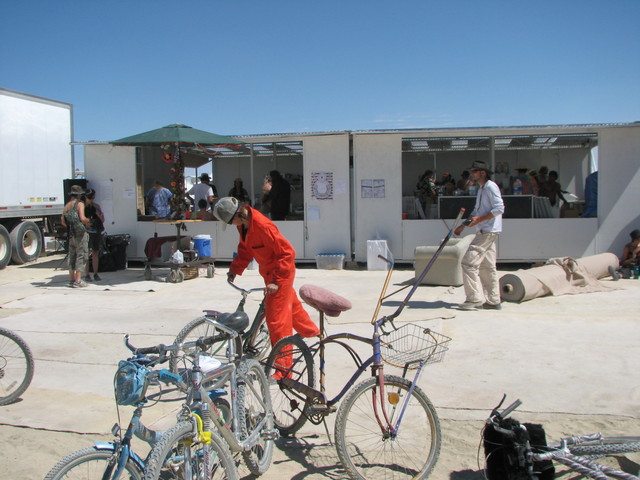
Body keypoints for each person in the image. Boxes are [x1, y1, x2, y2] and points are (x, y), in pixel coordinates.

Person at [213, 197, 320, 357]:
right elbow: (245, 248)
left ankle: (283, 371)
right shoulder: (243, 226)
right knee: (291, 306)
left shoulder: (263, 226)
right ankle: (312, 333)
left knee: (277, 322)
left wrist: (277, 282)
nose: (231, 226)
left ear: (237, 216)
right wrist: (235, 268)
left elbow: (287, 253)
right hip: (269, 274)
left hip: (280, 274)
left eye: (229, 223)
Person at [454, 161, 505, 310]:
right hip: (487, 231)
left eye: (474, 171)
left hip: (487, 231)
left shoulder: (490, 187)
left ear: (482, 172)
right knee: (487, 267)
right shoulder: (482, 189)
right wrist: (463, 226)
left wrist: (480, 220)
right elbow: (477, 212)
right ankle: (493, 300)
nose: (472, 174)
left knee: (468, 263)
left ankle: (474, 298)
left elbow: (499, 208)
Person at [61, 185, 92, 288]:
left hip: (71, 234)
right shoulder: (80, 204)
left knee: (72, 256)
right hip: (80, 234)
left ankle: (71, 279)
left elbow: (63, 222)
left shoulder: (67, 205)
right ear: (79, 194)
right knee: (81, 256)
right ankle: (78, 280)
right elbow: (82, 218)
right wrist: (88, 222)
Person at [83, 189, 105, 282]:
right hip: (86, 232)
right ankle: (87, 274)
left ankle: (95, 273)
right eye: (89, 198)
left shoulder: (96, 206)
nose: (90, 200)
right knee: (86, 254)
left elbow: (103, 220)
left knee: (95, 253)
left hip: (96, 231)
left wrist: (97, 214)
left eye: (92, 198)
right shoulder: (82, 207)